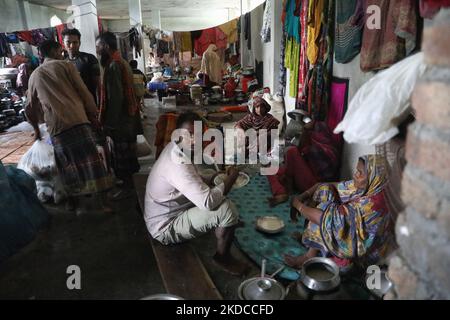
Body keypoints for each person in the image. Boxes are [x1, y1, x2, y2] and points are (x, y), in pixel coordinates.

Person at [144, 112, 248, 276]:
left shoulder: (176, 147)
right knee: (226, 209)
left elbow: (192, 177)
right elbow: (208, 202)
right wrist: (231, 178)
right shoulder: (178, 162)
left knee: (210, 178)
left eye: (198, 134)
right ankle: (223, 257)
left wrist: (214, 177)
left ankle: (225, 226)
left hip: (166, 210)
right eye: (189, 134)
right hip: (164, 227)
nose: (193, 140)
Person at [25, 40, 114, 214]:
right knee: (92, 162)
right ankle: (102, 204)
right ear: (55, 51)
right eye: (60, 49)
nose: (63, 52)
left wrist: (36, 130)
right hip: (78, 120)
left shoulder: (34, 75)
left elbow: (29, 107)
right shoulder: (66, 66)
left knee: (67, 166)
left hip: (57, 128)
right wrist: (94, 114)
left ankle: (74, 203)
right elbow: (83, 91)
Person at [284, 154, 395, 269]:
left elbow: (326, 218)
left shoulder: (374, 204)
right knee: (324, 190)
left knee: (325, 212)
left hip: (361, 251)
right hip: (349, 230)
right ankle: (314, 242)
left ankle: (309, 256)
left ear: (373, 177)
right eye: (357, 170)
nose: (355, 174)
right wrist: (303, 196)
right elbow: (325, 185)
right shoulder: (372, 185)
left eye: (360, 173)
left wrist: (298, 205)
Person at [96, 32, 143, 200]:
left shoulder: (114, 65)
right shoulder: (122, 61)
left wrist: (110, 124)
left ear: (106, 47)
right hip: (128, 118)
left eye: (98, 47)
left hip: (121, 121)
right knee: (129, 154)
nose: (97, 50)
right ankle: (132, 185)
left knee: (122, 156)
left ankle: (128, 188)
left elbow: (115, 97)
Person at [267, 118, 340, 207]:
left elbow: (321, 175)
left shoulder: (315, 150)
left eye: (309, 132)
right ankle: (284, 188)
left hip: (314, 187)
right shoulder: (330, 148)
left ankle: (281, 192)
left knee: (291, 152)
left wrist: (289, 176)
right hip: (314, 182)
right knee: (273, 168)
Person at [62, 28, 101, 105]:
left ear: (79, 43)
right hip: (71, 105)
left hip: (89, 104)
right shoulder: (62, 63)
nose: (72, 46)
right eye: (68, 42)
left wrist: (99, 105)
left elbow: (98, 85)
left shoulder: (90, 59)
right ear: (63, 43)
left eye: (75, 42)